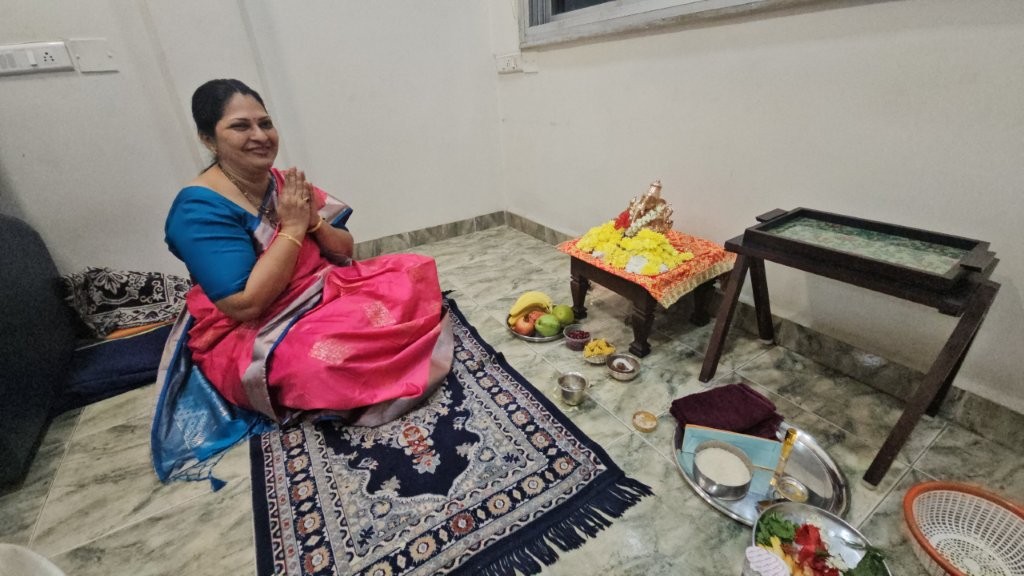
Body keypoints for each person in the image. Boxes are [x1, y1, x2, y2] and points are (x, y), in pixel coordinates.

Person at [151, 79, 454, 486]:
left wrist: (312, 221)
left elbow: (344, 250)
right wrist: (293, 228)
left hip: (323, 289)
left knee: (413, 271)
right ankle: (364, 373)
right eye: (240, 126)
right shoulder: (198, 209)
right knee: (325, 360)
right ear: (208, 139)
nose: (260, 136)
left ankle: (382, 356)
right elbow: (245, 304)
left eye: (265, 123)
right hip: (257, 326)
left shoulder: (283, 183)